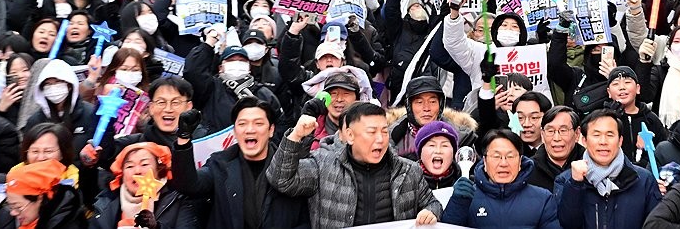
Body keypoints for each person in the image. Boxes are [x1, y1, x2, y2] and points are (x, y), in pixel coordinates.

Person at [264, 102, 443, 229]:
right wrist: (296, 136)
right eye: (371, 132)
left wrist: (430, 211)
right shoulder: (322, 165)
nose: (380, 139)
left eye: (384, 131)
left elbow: (432, 203)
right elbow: (281, 179)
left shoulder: (408, 171)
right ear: (349, 135)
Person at [169, 98, 310, 229]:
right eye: (242, 124)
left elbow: (304, 220)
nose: (250, 130)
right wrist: (183, 138)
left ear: (271, 130)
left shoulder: (290, 166)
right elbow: (188, 185)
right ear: (235, 131)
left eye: (258, 123)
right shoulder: (219, 164)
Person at [554, 109, 662, 229]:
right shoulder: (566, 180)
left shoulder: (643, 180)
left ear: (620, 140)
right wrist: (575, 185)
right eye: (596, 135)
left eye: (610, 135)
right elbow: (567, 224)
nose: (603, 142)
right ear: (584, 140)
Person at [440, 129, 561, 228]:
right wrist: (458, 203)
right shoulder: (468, 195)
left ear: (520, 162)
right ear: (485, 162)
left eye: (510, 156)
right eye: (496, 156)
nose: (503, 163)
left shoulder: (543, 199)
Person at [90, 143, 197, 229]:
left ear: (158, 169)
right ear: (121, 173)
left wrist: (157, 227)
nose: (137, 171)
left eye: (145, 164)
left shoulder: (178, 201)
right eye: (130, 166)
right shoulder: (105, 205)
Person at [0, 160, 86, 229]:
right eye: (10, 206)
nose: (13, 212)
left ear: (40, 198)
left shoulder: (67, 223)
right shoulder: (5, 218)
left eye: (18, 207)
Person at [528, 106, 584, 192]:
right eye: (550, 131)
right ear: (542, 135)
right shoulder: (528, 170)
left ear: (577, 133)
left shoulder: (590, 167)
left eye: (563, 130)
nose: (556, 138)